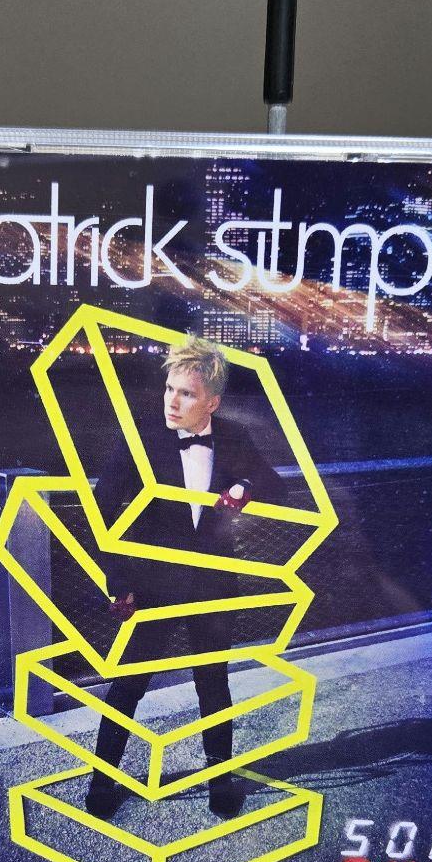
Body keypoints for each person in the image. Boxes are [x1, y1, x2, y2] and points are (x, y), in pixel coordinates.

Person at [86, 336, 288, 820]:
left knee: (213, 685)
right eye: (169, 390)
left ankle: (220, 782)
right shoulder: (141, 437)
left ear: (212, 402)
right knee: (128, 684)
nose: (172, 402)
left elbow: (275, 485)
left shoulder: (234, 437)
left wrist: (243, 485)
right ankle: (101, 783)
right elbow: (101, 511)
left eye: (187, 394)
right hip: (152, 586)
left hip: (213, 584)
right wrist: (118, 581)